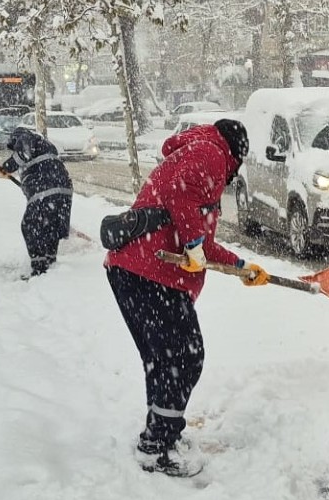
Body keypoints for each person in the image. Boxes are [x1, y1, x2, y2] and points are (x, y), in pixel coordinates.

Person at [103, 119, 268, 476]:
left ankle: (161, 436)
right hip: (148, 273)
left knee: (165, 360)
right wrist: (193, 243)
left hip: (133, 270)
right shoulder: (211, 152)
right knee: (185, 356)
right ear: (236, 156)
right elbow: (181, 196)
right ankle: (157, 446)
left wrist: (241, 266)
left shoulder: (197, 152)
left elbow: (199, 239)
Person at [0, 126, 73, 278]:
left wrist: (6, 167)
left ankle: (39, 268)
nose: (14, 150)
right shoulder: (45, 146)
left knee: (30, 225)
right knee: (49, 226)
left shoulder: (25, 138)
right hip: (64, 189)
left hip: (46, 188)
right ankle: (50, 264)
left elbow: (23, 153)